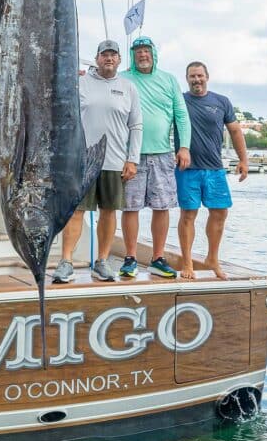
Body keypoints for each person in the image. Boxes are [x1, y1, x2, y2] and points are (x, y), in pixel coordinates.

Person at [53, 40, 142, 283]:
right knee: (76, 211)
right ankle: (66, 261)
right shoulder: (80, 83)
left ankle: (102, 261)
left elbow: (136, 126)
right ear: (97, 58)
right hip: (82, 161)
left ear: (120, 60)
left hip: (114, 161)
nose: (109, 59)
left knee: (109, 212)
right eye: (105, 55)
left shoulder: (128, 87)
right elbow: (64, 116)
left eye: (113, 55)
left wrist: (132, 159)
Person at [120, 36, 191, 279]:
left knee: (162, 207)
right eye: (138, 51)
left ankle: (158, 258)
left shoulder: (169, 80)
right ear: (132, 55)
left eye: (146, 50)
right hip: (131, 155)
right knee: (130, 207)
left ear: (153, 53)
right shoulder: (123, 77)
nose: (142, 55)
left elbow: (181, 116)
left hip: (162, 154)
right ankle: (130, 258)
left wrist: (185, 148)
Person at [176, 61, 248, 280]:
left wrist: (243, 160)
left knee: (220, 213)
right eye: (192, 76)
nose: (196, 80)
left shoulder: (221, 102)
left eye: (200, 75)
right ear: (187, 79)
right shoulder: (179, 100)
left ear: (207, 76)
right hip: (187, 168)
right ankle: (187, 262)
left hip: (215, 168)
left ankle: (212, 259)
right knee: (188, 214)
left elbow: (235, 131)